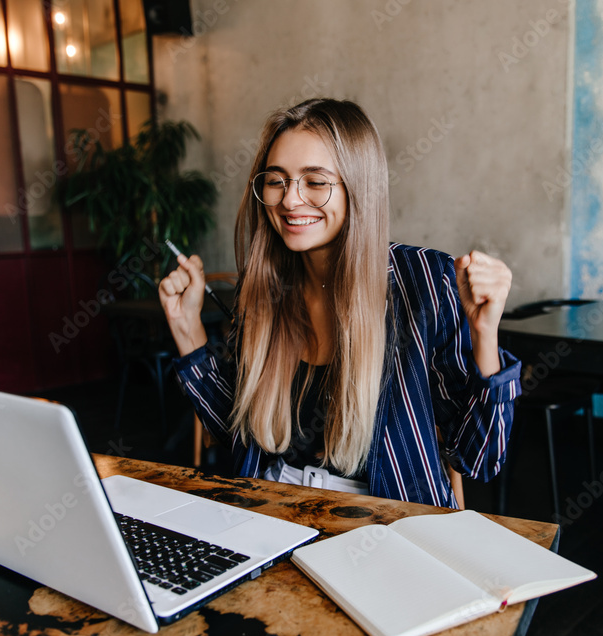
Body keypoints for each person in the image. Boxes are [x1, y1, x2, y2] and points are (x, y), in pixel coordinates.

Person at [159, 98, 521, 508]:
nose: (290, 200)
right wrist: (186, 326)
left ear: (359, 187)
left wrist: (485, 334)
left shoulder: (422, 279)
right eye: (276, 180)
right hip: (272, 511)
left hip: (390, 522)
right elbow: (239, 436)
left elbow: (480, 458)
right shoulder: (264, 288)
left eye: (315, 181)